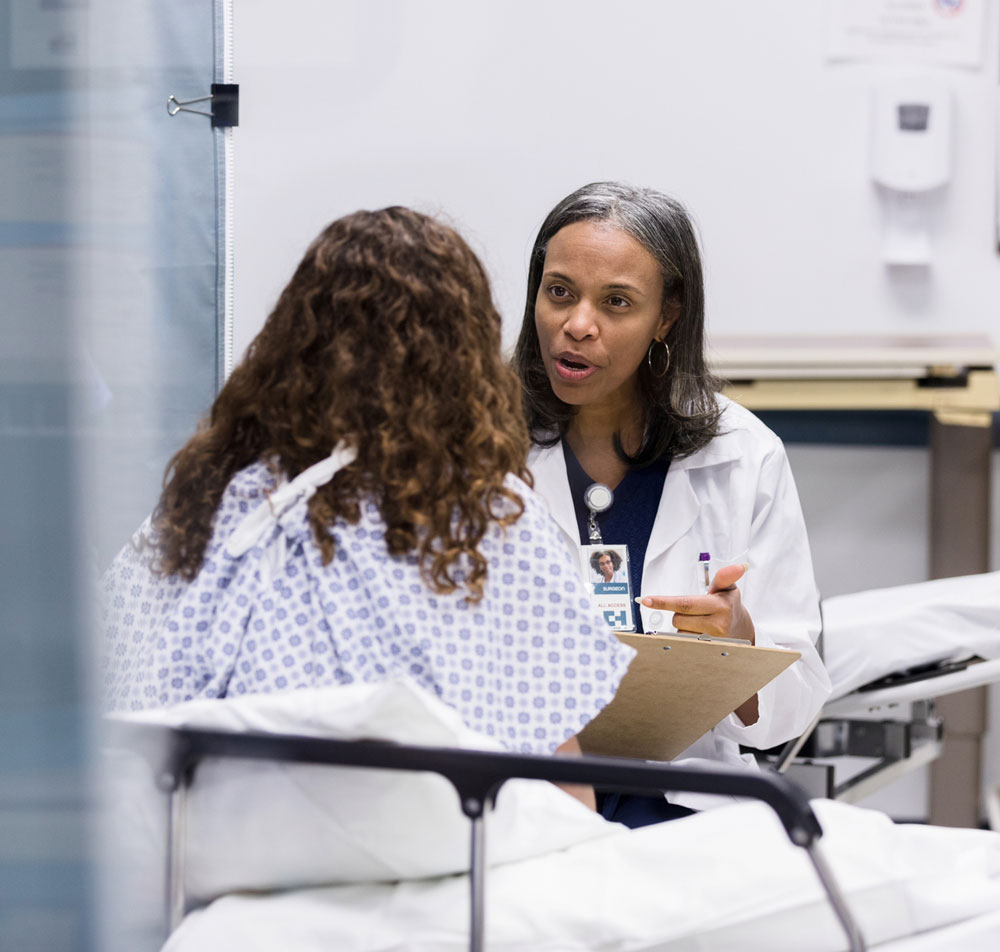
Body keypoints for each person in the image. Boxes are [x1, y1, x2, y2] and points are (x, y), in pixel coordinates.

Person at [100, 206, 636, 809]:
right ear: (463, 355)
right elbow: (562, 785)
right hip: (446, 865)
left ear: (293, 340)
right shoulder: (491, 518)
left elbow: (107, 707)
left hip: (225, 855)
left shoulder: (210, 499)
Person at [512, 182, 831, 825]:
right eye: (560, 292)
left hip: (684, 805)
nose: (576, 325)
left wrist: (738, 642)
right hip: (521, 793)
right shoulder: (475, 443)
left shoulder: (743, 455)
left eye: (617, 302)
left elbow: (794, 708)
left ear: (667, 316)